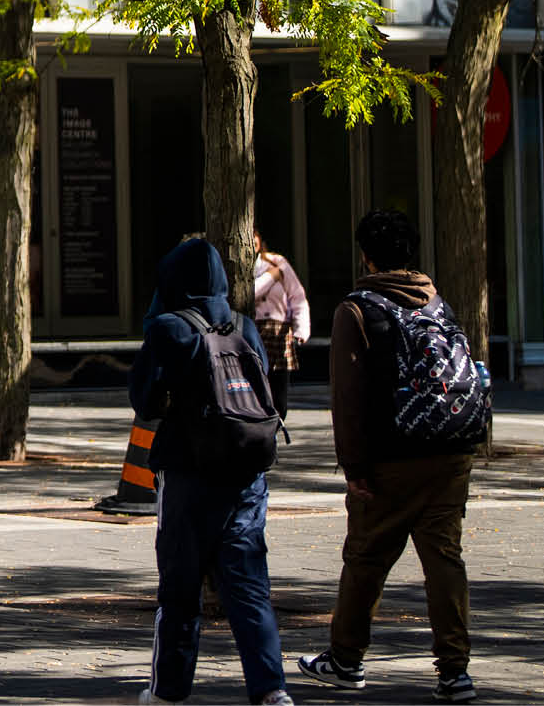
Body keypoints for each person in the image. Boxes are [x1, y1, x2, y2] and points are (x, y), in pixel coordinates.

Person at [299, 211, 481, 704]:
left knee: (366, 559)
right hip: (451, 454)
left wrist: (355, 469)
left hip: (391, 460)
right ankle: (454, 672)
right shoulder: (436, 301)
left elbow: (348, 398)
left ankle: (345, 660)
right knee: (444, 560)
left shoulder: (357, 310)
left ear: (365, 254)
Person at [131, 237, 289, 706]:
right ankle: (271, 690)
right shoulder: (243, 324)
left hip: (188, 475)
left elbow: (144, 400)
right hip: (246, 475)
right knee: (249, 588)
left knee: (179, 590)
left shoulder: (168, 327)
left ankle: (168, 692)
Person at [251, 234, 311, 382]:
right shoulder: (234, 266)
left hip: (278, 333)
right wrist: (270, 277)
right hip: (252, 331)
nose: (251, 240)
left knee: (278, 392)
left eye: (254, 235)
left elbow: (297, 296)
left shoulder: (276, 262)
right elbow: (248, 294)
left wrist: (301, 330)